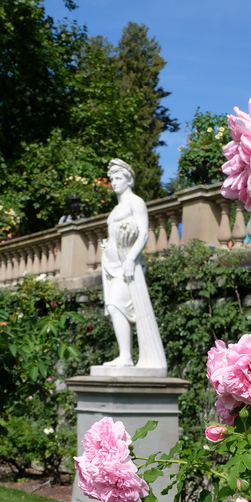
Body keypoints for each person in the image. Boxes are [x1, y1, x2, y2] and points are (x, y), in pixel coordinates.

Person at [99, 159, 167, 373]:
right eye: (112, 179)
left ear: (129, 180)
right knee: (113, 306)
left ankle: (126, 357)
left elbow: (144, 233)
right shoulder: (118, 207)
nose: (114, 183)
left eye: (118, 178)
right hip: (112, 264)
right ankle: (124, 355)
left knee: (116, 305)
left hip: (126, 264)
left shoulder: (135, 202)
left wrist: (130, 259)